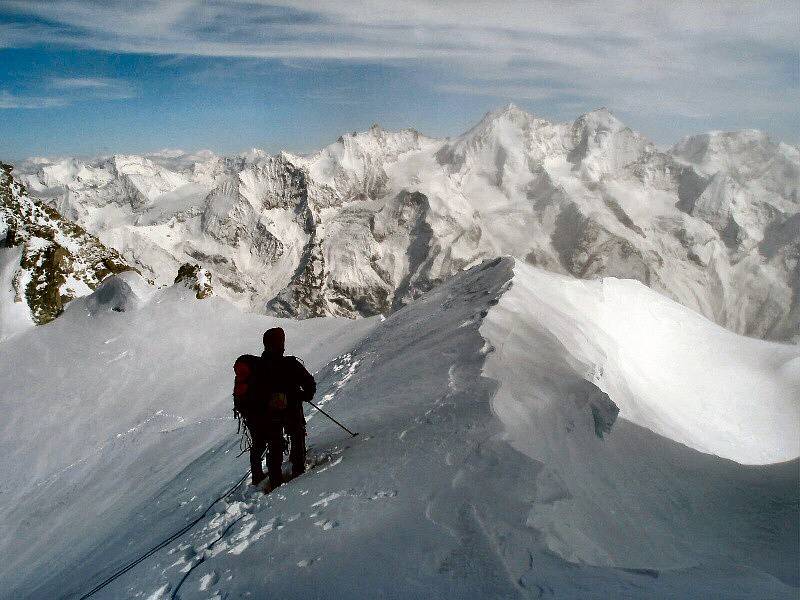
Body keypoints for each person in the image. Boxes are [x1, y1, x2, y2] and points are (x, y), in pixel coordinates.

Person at [249, 327, 316, 491]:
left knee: (274, 444)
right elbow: (309, 384)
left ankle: (275, 480)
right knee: (297, 434)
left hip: (268, 414)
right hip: (292, 410)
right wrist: (302, 395)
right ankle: (298, 471)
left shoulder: (257, 367)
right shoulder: (291, 364)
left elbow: (254, 394)